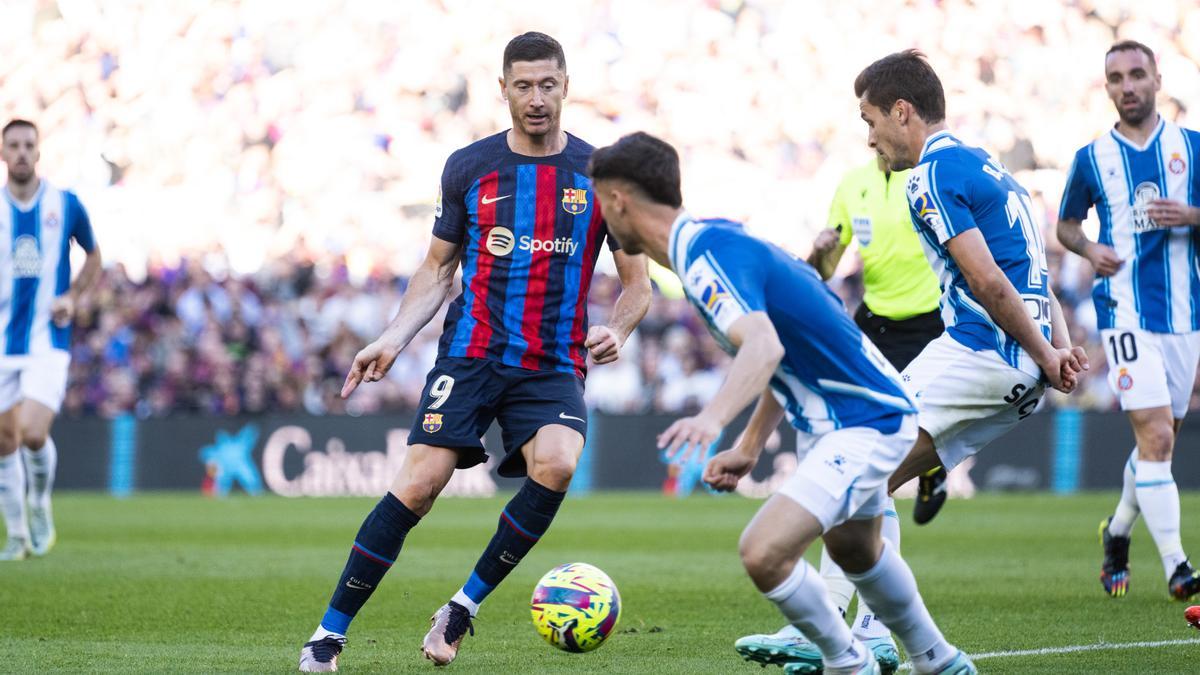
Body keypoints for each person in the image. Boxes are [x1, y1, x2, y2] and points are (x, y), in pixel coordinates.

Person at [297, 33, 650, 671]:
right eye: (523, 85)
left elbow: (637, 285)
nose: (536, 98)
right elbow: (437, 269)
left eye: (547, 84)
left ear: (566, 86)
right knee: (420, 485)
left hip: (553, 361)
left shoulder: (603, 176)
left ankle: (462, 606)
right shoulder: (469, 167)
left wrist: (619, 331)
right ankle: (327, 637)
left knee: (559, 464)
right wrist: (393, 338)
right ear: (504, 89)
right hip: (474, 352)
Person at [590, 130, 977, 675]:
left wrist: (712, 420)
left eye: (598, 202)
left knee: (764, 552)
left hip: (863, 420)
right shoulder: (710, 243)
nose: (599, 219)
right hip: (863, 414)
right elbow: (782, 350)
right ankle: (939, 660)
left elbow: (765, 347)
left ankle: (849, 663)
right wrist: (749, 446)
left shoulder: (704, 254)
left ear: (618, 200)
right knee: (855, 551)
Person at [736, 156, 943, 670]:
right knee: (871, 483)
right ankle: (862, 629)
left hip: (934, 330)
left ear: (900, 111)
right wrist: (820, 252)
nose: (869, 134)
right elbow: (822, 273)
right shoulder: (853, 186)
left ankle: (859, 628)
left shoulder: (932, 177)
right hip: (872, 331)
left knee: (876, 480)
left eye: (871, 119)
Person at [1056, 40, 1200, 602]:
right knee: (1157, 435)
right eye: (1116, 78)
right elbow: (1067, 226)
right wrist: (1090, 250)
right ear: (1108, 87)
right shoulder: (1092, 158)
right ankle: (1178, 567)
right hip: (1124, 314)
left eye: (1137, 74)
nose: (1127, 86)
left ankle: (1117, 532)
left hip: (1185, 317)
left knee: (1158, 446)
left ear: (1158, 79)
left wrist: (1190, 215)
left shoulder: (1191, 148)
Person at [0, 119, 101, 561]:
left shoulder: (66, 204)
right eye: (13, 146)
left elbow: (94, 256)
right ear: (3, 154)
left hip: (47, 339)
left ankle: (39, 501)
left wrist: (73, 296)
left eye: (28, 145)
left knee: (32, 432)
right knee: (4, 440)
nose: (22, 152)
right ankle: (18, 535)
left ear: (38, 152)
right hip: (3, 343)